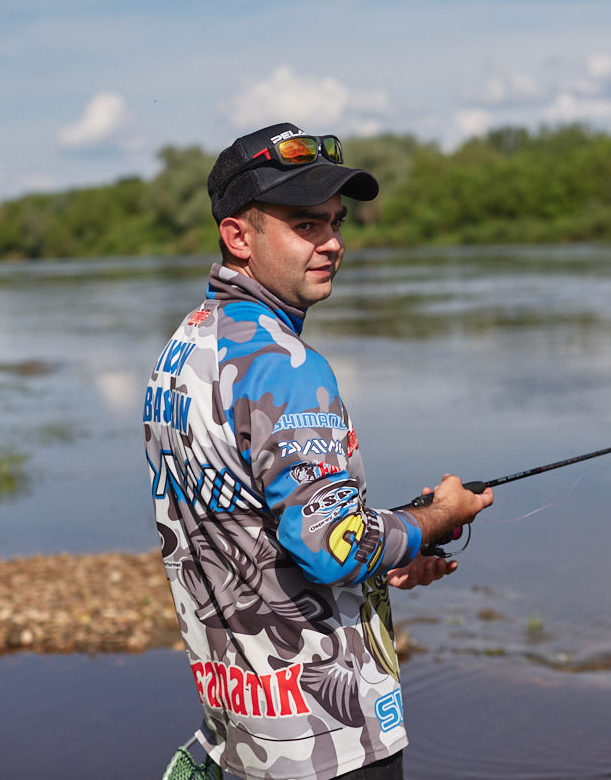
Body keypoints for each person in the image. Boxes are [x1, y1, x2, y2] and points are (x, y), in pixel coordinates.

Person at [144, 121, 492, 780]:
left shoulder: (187, 346)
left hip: (241, 729)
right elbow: (331, 544)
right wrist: (435, 519)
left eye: (336, 222)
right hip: (325, 744)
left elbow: (248, 529)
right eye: (305, 224)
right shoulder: (287, 366)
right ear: (238, 236)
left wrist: (386, 550)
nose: (332, 242)